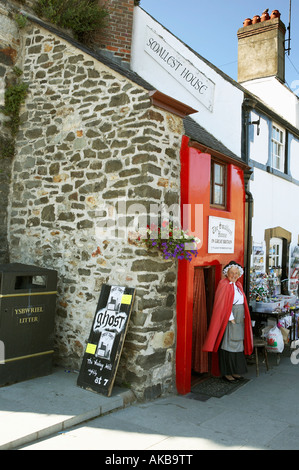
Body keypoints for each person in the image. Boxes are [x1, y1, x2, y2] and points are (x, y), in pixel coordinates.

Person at [202, 261, 253, 383]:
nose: (234, 275)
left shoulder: (238, 285)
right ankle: (227, 373)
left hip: (239, 317)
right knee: (228, 344)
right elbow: (222, 305)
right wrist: (230, 317)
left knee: (238, 343)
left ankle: (235, 370)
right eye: (232, 273)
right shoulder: (223, 284)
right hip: (231, 319)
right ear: (227, 273)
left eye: (236, 273)